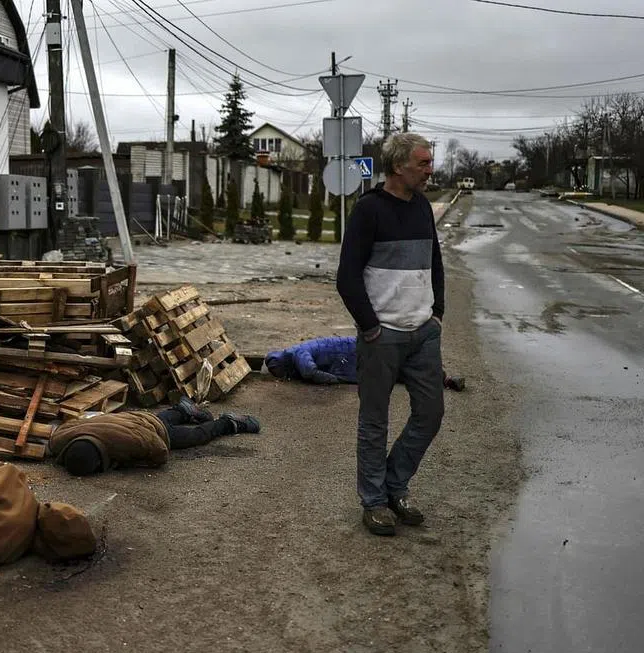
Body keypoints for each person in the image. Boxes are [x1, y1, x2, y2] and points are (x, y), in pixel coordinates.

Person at [336, 132, 445, 537]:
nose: (430, 169)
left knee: (430, 413)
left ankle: (395, 485)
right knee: (374, 421)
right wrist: (370, 327)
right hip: (382, 335)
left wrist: (437, 313)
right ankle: (375, 501)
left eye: (430, 162)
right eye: (423, 163)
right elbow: (347, 277)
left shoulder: (423, 208)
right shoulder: (369, 210)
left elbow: (435, 262)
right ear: (398, 166)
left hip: (423, 333)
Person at [50, 397, 261, 477]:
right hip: (133, 416)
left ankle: (227, 423)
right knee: (160, 418)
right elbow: (69, 424)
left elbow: (160, 451)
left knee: (197, 435)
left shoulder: (127, 442)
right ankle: (183, 410)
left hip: (153, 430)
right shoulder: (60, 439)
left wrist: (134, 463)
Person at [265, 336, 466, 391]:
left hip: (352, 355)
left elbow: (309, 370)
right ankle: (442, 378)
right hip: (351, 356)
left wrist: (330, 379)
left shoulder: (297, 352)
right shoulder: (296, 352)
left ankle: (443, 377)